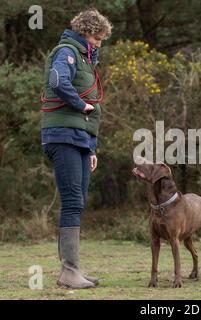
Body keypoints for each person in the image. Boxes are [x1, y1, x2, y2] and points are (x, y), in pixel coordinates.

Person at [41, 9, 112, 289]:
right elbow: (58, 81)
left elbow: (94, 112)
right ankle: (69, 272)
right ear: (84, 32)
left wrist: (92, 148)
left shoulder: (85, 59)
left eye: (101, 39)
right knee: (72, 201)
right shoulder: (67, 52)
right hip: (62, 136)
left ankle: (72, 270)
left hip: (80, 139)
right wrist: (80, 105)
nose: (98, 43)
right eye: (95, 37)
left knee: (78, 201)